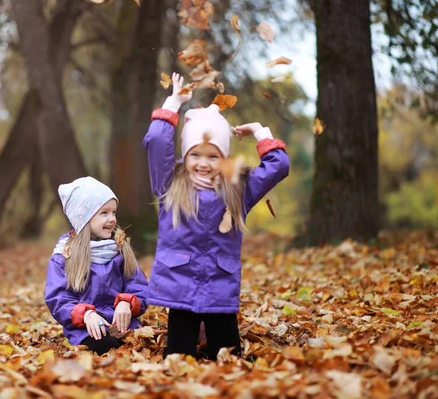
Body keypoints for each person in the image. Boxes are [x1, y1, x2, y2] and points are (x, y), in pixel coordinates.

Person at [143, 73, 289, 360]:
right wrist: (174, 102)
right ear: (186, 155)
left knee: (229, 358)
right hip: (179, 290)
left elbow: (278, 166)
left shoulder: (237, 190)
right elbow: (157, 142)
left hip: (219, 291)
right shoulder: (170, 185)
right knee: (178, 359)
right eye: (196, 155)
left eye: (213, 156)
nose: (203, 163)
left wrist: (260, 131)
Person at [44, 176, 148, 355]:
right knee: (102, 347)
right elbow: (59, 299)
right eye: (104, 213)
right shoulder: (65, 256)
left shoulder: (120, 249)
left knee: (138, 347)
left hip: (124, 326)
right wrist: (86, 314)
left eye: (114, 212)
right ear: (84, 218)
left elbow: (139, 287)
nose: (112, 219)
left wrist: (127, 303)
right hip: (85, 329)